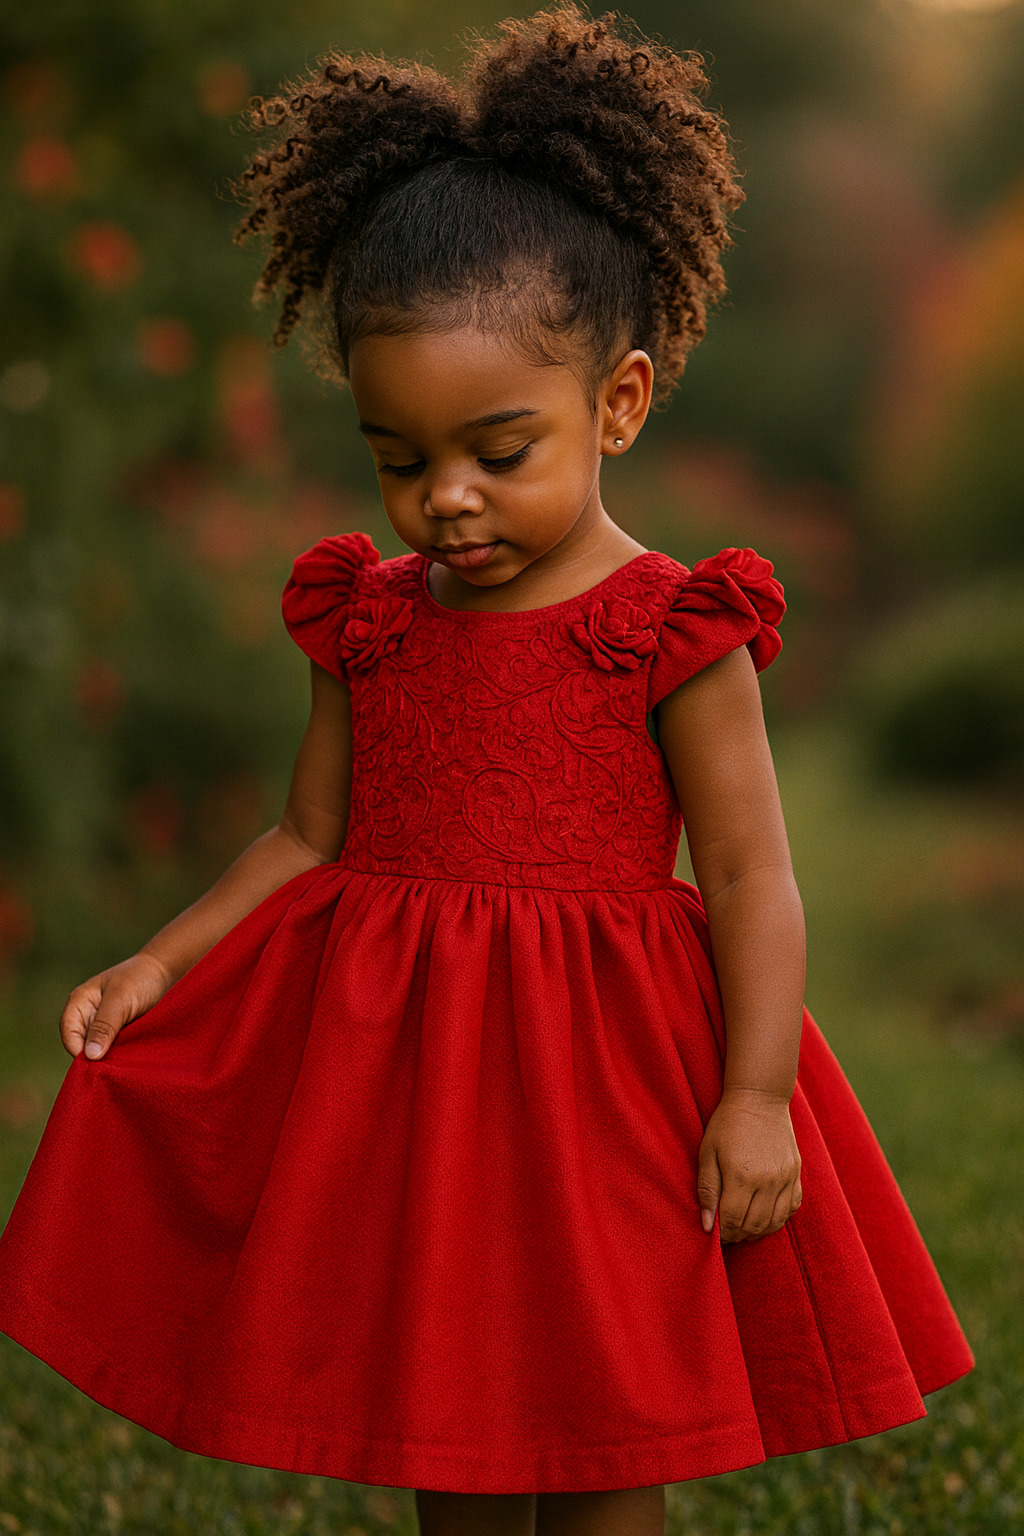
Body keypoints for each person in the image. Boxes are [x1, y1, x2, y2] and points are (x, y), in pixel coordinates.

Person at [0, 8, 973, 1535]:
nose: (443, 499)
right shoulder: (367, 622)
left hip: (612, 1103)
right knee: (447, 1443)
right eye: (400, 457)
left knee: (600, 1448)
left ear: (622, 404)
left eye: (498, 450)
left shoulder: (673, 629)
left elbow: (747, 873)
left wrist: (759, 1096)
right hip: (421, 1095)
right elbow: (304, 838)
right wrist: (158, 963)